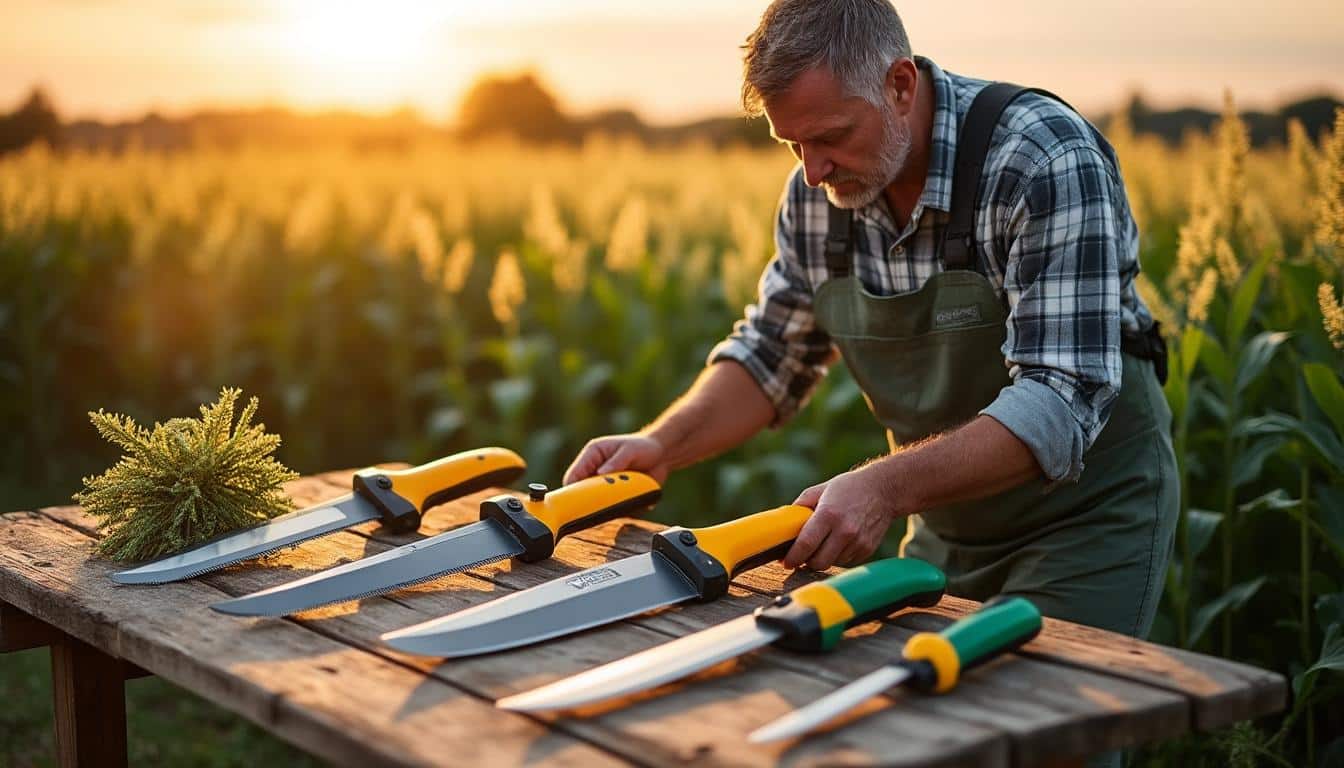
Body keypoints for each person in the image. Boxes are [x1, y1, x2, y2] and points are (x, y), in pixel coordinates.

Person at [565, 0, 1178, 645]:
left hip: (1086, 522)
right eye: (793, 144)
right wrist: (664, 445)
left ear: (901, 84)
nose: (811, 170)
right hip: (944, 522)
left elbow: (1061, 401)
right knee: (915, 723)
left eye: (830, 136)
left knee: (1041, 732)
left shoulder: (1041, 158)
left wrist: (883, 487)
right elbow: (774, 356)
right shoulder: (816, 195)